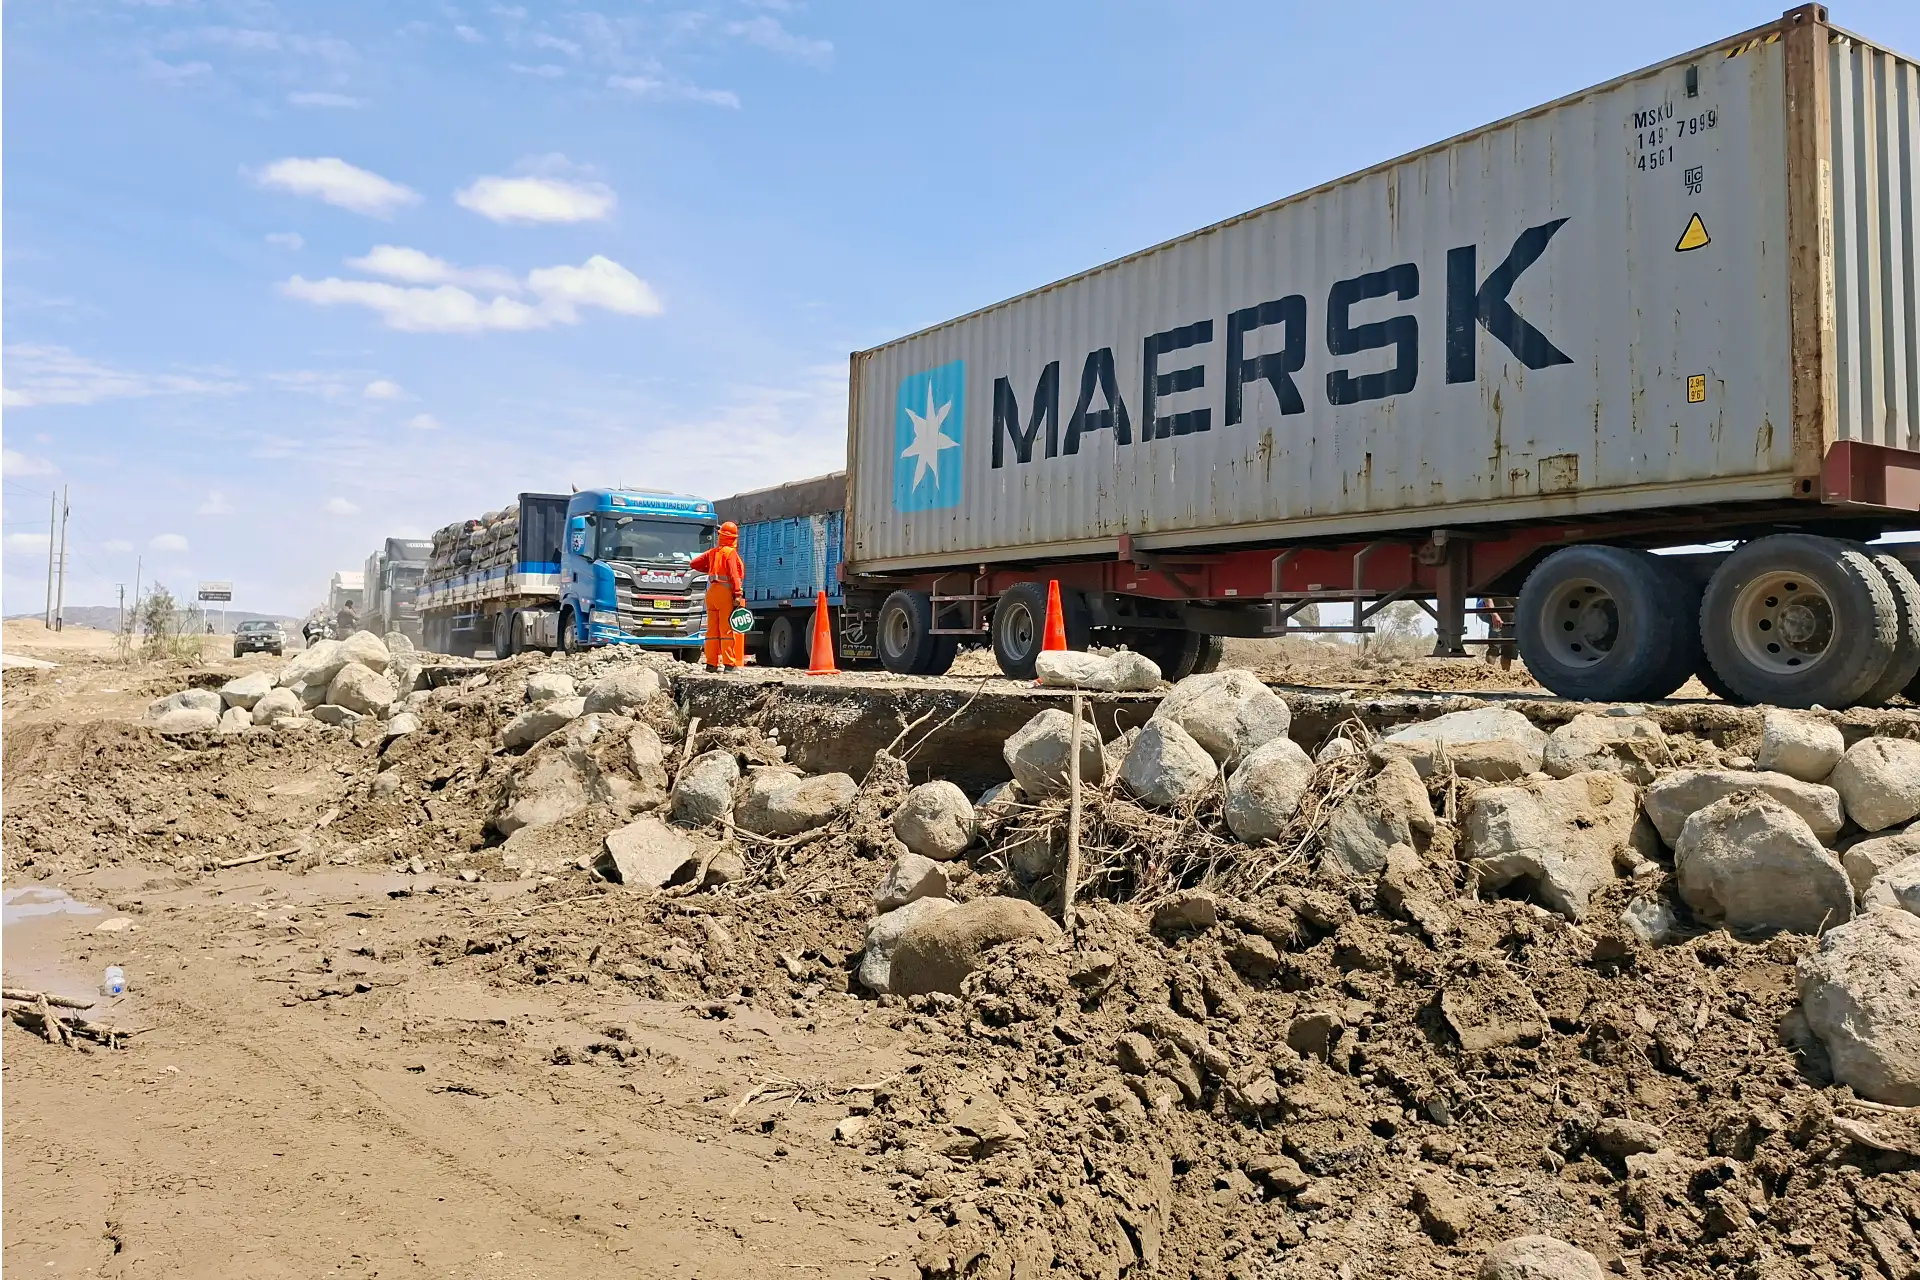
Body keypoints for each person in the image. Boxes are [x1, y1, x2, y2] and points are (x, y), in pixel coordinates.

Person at [690, 522, 746, 672]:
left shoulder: (713, 552)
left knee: (712, 630)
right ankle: (729, 664)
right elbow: (734, 575)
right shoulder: (730, 553)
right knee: (726, 630)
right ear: (734, 538)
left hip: (712, 592)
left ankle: (711, 664)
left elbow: (694, 564)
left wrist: (709, 569)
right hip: (725, 592)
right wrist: (738, 594)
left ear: (721, 536)